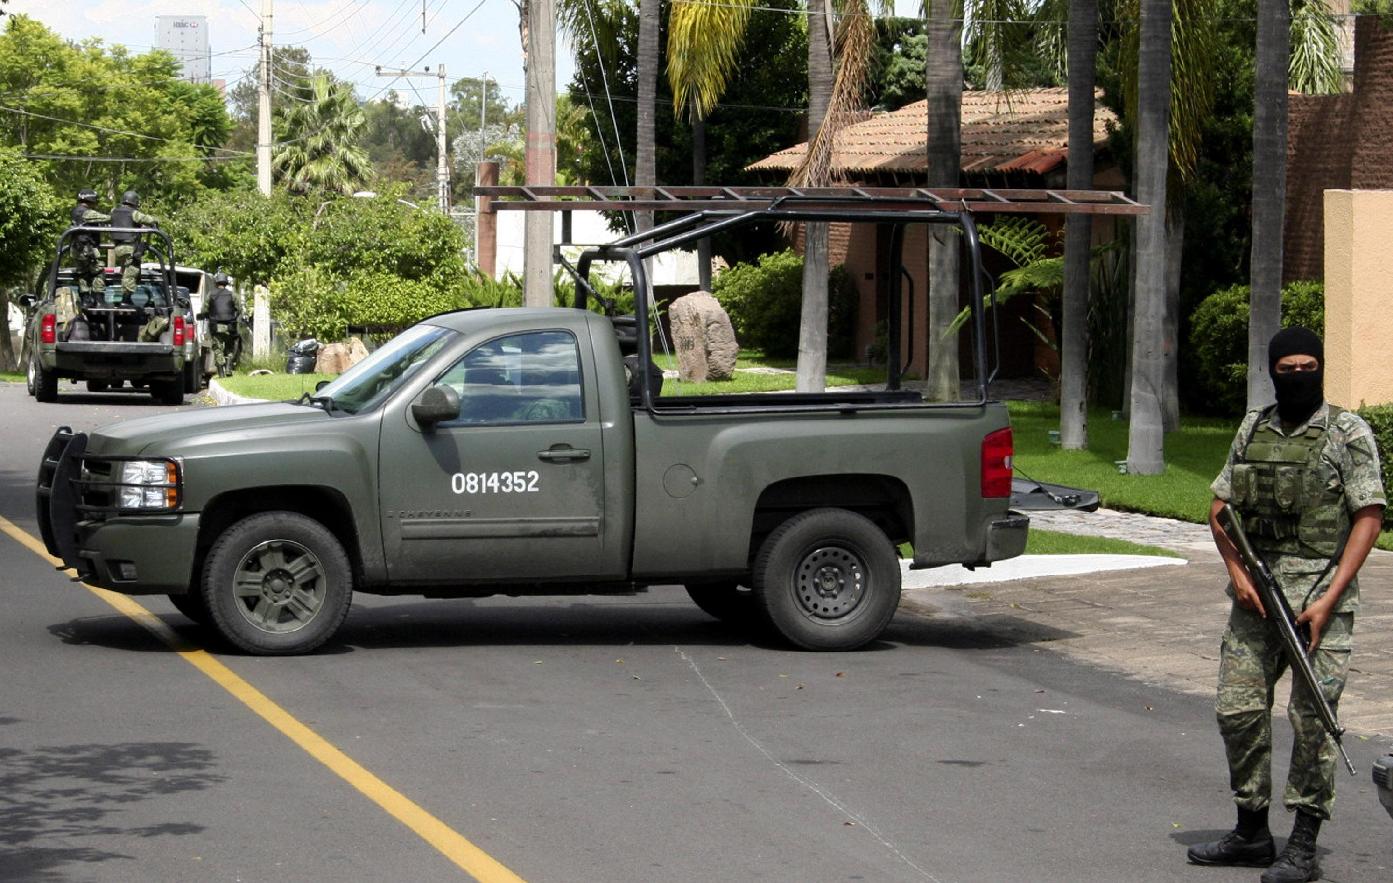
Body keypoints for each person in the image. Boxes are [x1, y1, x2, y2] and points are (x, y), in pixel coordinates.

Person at [1188, 327, 1385, 882]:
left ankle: (1302, 843)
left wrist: (1330, 597)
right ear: (1271, 370)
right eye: (1286, 368)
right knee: (1237, 709)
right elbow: (1220, 507)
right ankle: (1251, 830)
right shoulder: (1254, 427)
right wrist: (1236, 571)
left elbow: (1368, 515)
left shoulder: (1348, 433)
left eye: (1307, 366)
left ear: (1320, 368)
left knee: (1312, 721)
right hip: (1257, 598)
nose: (1297, 376)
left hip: (1321, 599)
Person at [108, 190, 159, 298]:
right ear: (135, 202)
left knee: (126, 269)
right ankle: (126, 299)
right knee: (132, 272)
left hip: (118, 247)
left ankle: (125, 293)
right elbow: (147, 219)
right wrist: (155, 221)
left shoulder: (114, 211)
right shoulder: (133, 213)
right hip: (130, 247)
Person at [69, 188, 110, 300]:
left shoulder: (75, 211)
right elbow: (106, 218)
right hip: (86, 249)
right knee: (99, 272)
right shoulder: (86, 212)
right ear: (91, 200)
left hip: (76, 248)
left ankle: (85, 298)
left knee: (82, 273)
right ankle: (98, 298)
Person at [199, 272, 242, 376]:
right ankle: (228, 367)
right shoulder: (232, 295)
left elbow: (204, 309)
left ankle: (221, 372)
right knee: (230, 348)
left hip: (215, 326)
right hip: (230, 327)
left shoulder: (211, 294)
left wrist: (207, 315)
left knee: (217, 349)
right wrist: (233, 318)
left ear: (216, 282)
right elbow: (239, 309)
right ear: (226, 283)